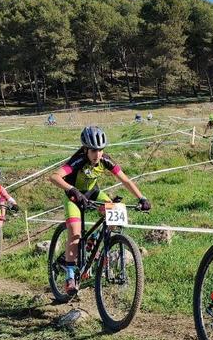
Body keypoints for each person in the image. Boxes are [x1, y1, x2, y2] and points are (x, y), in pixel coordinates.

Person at [49, 126, 152, 294]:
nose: (98, 155)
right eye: (93, 151)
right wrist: (71, 189)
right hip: (73, 196)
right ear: (85, 149)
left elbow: (125, 180)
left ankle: (93, 242)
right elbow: (54, 176)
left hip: (93, 192)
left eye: (101, 150)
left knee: (115, 212)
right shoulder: (78, 160)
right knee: (75, 233)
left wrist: (142, 198)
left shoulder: (105, 160)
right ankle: (69, 276)